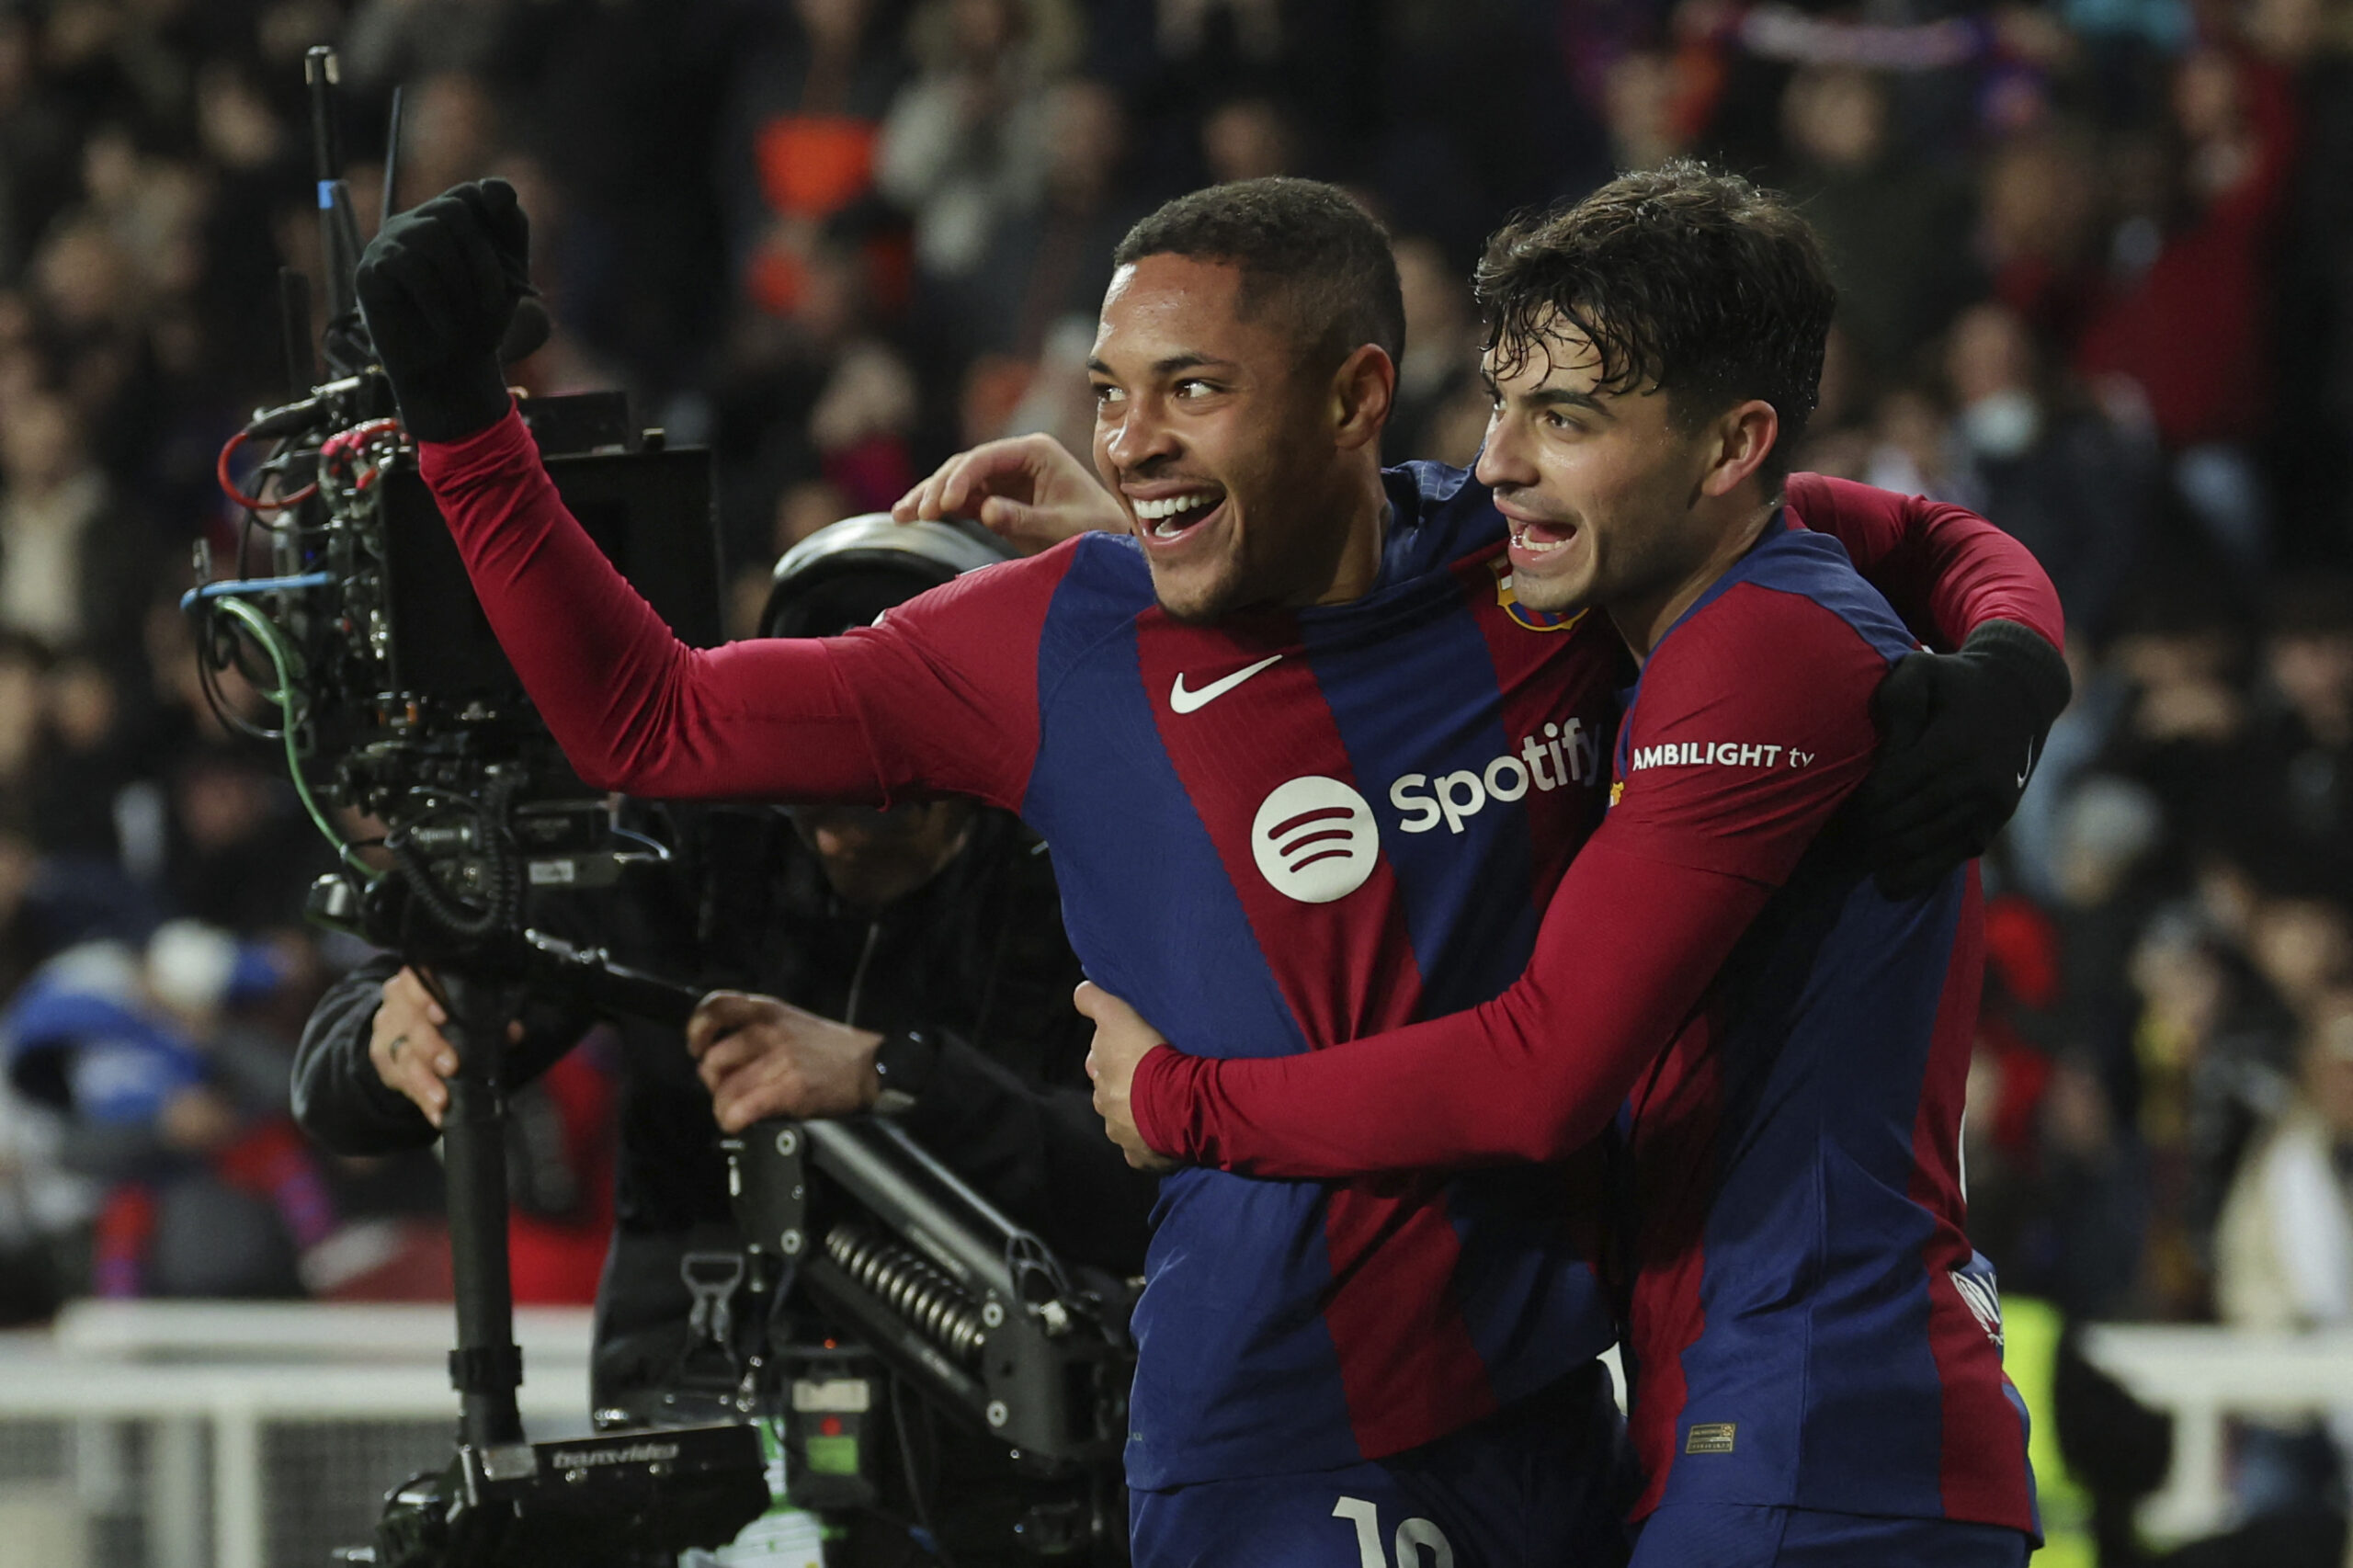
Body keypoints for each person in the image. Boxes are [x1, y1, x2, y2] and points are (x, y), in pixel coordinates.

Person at [352, 173, 2063, 1566]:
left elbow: (1850, 522)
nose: (1136, 435)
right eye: (1113, 394)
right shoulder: (1040, 649)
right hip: (1275, 1435)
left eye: (1193, 390)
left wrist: (2013, 653)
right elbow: (646, 718)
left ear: (1353, 397)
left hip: (1557, 1434)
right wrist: (466, 438)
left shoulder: (1535, 562)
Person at [1081, 163, 2043, 1567]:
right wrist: (2023, 645)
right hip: (1783, 1429)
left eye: (1566, 418)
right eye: (1503, 400)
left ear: (1730, 447)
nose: (1498, 461)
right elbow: (1922, 527)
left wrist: (1185, 1099)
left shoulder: (1754, 646)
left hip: (1815, 1437)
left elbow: (1540, 1072)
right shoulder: (1718, 594)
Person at [292, 515, 1154, 1565]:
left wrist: (890, 1075)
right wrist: (394, 1035)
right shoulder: (677, 853)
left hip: (991, 1469)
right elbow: (343, 1082)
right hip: (691, 1445)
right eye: (819, 707)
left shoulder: (1080, 889)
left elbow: (1146, 1178)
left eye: (886, 713)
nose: (846, 769)